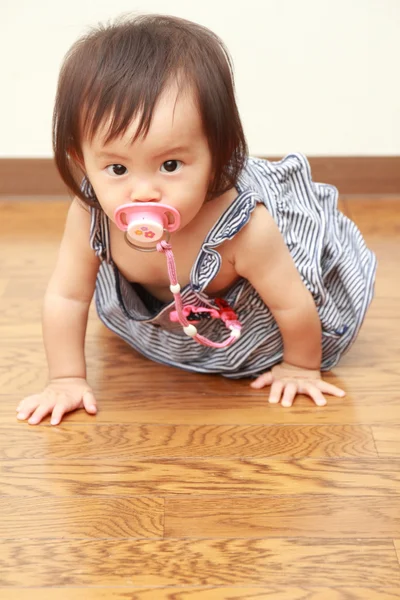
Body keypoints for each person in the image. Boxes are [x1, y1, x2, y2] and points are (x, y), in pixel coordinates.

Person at [16, 14, 377, 426]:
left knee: (295, 304)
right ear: (83, 161)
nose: (144, 192)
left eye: (170, 164)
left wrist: (300, 366)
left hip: (255, 323)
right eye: (117, 169)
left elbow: (292, 304)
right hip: (169, 316)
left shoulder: (245, 229)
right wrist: (66, 378)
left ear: (217, 156)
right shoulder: (90, 215)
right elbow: (68, 296)